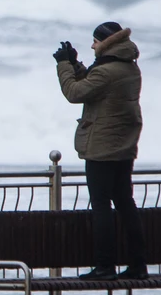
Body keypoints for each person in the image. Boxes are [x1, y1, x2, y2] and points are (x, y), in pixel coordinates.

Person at [53, 22, 148, 281]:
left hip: (102, 149)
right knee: (126, 204)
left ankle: (105, 266)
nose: (92, 45)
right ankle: (138, 265)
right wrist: (76, 64)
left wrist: (63, 65)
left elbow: (74, 92)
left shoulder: (107, 72)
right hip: (123, 147)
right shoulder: (128, 67)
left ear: (106, 43)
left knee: (102, 207)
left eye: (95, 41)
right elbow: (95, 86)